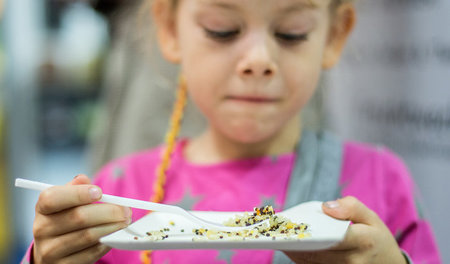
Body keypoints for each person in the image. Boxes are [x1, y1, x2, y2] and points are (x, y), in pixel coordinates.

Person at [23, 0, 442, 263]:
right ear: (170, 29)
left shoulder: (380, 181)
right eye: (222, 29)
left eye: (291, 33)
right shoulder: (119, 190)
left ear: (334, 34)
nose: (258, 60)